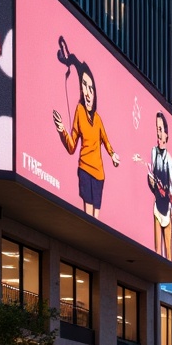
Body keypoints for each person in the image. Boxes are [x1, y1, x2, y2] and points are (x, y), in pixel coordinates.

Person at [52, 39, 120, 218]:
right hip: (85, 169)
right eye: (84, 86)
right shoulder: (79, 111)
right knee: (88, 217)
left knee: (95, 218)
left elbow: (106, 141)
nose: (88, 92)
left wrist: (113, 155)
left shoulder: (97, 119)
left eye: (91, 88)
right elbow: (72, 146)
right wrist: (61, 130)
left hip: (99, 174)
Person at [131, 112, 172, 260]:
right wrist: (152, 183)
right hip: (157, 207)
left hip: (167, 210)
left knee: (168, 255)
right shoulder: (153, 152)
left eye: (161, 129)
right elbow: (151, 174)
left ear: (166, 134)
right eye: (157, 129)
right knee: (157, 252)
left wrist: (169, 196)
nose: (158, 133)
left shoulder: (170, 162)